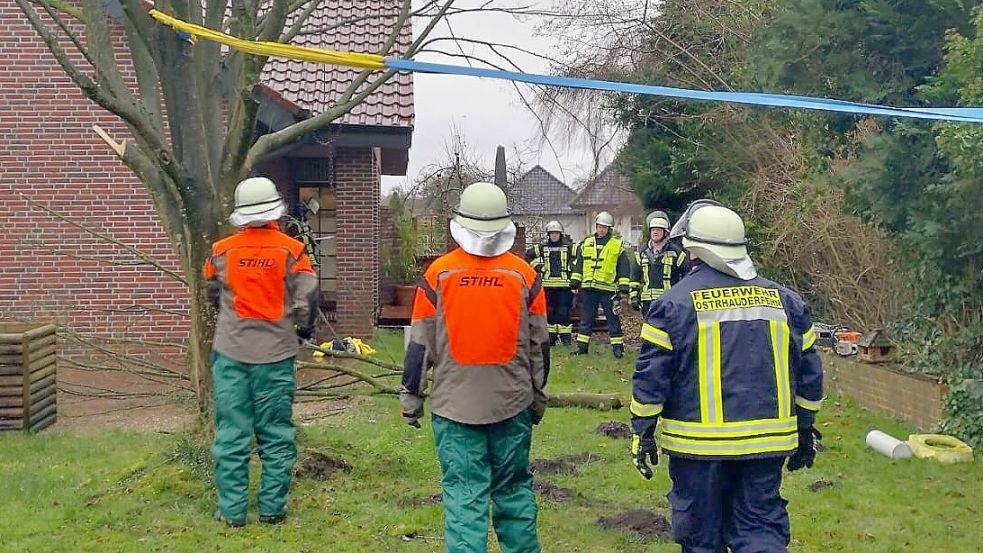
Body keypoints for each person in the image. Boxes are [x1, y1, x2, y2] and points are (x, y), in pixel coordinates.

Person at [629, 200, 823, 553]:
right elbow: (810, 377)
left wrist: (642, 433)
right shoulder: (787, 302)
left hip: (697, 451)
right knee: (760, 533)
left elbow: (650, 382)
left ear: (694, 252)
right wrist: (805, 428)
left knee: (702, 539)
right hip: (767, 445)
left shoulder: (672, 305)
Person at [400, 181, 550, 553]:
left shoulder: (438, 275)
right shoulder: (525, 277)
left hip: (455, 410)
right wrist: (538, 395)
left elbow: (420, 347)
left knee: (465, 500)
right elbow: (540, 348)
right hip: (511, 405)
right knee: (513, 492)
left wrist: (411, 398)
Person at [202, 176, 320, 527]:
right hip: (276, 355)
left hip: (231, 352)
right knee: (276, 432)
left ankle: (232, 510)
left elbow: (212, 293)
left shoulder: (219, 251)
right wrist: (303, 331)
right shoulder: (292, 251)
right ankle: (272, 508)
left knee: (232, 433)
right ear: (275, 211)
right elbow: (309, 300)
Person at [570, 211, 632, 358]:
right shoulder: (587, 243)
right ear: (596, 227)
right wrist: (575, 281)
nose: (601, 229)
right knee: (586, 318)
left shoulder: (616, 245)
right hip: (589, 288)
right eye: (599, 226)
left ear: (609, 229)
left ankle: (618, 349)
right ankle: (582, 348)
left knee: (613, 319)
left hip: (608, 289)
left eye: (604, 227)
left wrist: (623, 287)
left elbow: (623, 267)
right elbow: (579, 264)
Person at [526, 220, 575, 346]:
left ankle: (566, 339)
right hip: (548, 286)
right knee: (550, 313)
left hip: (565, 286)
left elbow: (581, 257)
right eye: (552, 233)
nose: (554, 236)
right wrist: (539, 267)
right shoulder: (543, 247)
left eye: (556, 233)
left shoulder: (569, 246)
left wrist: (571, 267)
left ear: (560, 234)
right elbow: (528, 256)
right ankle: (551, 340)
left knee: (563, 313)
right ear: (549, 235)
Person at [630, 211, 688, 315]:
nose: (655, 232)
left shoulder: (676, 253)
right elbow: (635, 276)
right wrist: (634, 296)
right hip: (647, 303)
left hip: (669, 301)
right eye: (653, 230)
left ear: (665, 232)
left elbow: (686, 275)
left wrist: (681, 295)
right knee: (649, 330)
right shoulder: (642, 252)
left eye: (658, 230)